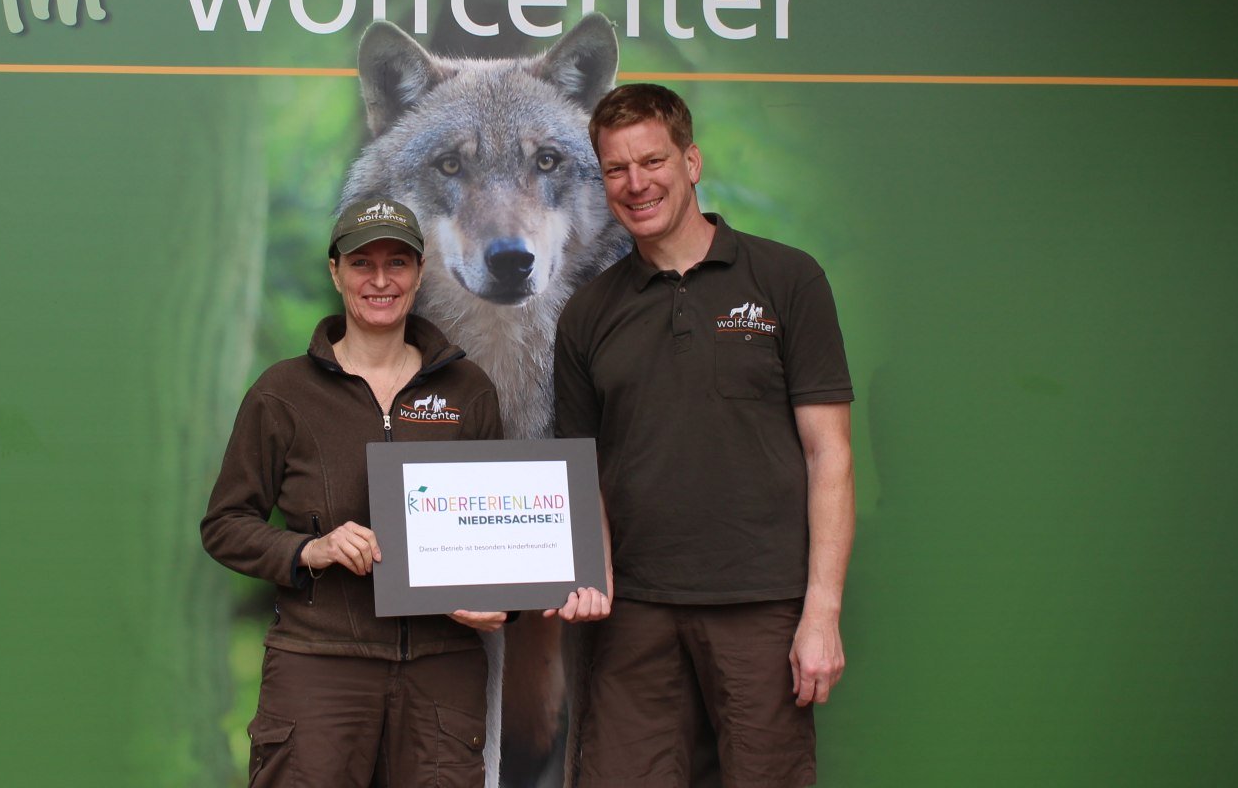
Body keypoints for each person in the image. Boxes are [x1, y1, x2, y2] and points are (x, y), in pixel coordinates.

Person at [552, 85, 855, 787]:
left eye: (652, 161)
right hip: (633, 616)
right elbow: (580, 472)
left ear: (691, 161)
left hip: (762, 607)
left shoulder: (788, 279)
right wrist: (587, 576)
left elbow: (829, 453)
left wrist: (822, 613)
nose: (636, 183)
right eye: (615, 168)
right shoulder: (589, 311)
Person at [201, 197, 511, 788]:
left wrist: (504, 602)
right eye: (362, 263)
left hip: (442, 673)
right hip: (319, 667)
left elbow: (497, 532)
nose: (380, 280)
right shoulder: (282, 393)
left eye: (397, 262)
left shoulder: (468, 390)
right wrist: (306, 550)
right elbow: (225, 525)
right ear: (335, 272)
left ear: (420, 274)